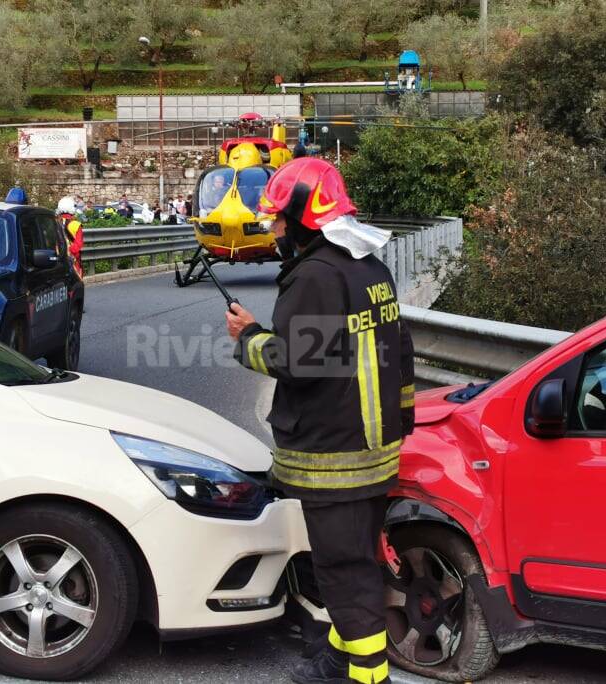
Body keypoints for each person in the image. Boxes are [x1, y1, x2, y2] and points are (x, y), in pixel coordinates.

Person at [225, 158, 415, 684]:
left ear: (306, 215)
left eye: (278, 220)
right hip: (375, 450)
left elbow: (297, 362)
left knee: (343, 571)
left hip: (334, 458)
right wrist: (403, 421)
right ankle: (338, 658)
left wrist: (249, 339)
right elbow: (398, 351)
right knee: (354, 561)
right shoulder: (369, 267)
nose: (274, 230)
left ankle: (367, 676)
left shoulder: (314, 276)